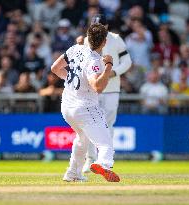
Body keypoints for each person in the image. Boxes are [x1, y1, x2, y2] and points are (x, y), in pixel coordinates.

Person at [51, 23, 120, 182]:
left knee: (82, 139)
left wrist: (72, 82)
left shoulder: (75, 48)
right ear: (104, 42)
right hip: (84, 107)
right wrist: (109, 65)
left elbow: (55, 68)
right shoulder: (95, 61)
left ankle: (73, 173)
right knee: (105, 144)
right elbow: (98, 87)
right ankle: (103, 163)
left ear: (88, 36)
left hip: (67, 106)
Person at [80, 14, 132, 173]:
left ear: (107, 26)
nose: (96, 28)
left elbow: (127, 62)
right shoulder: (87, 40)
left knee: (108, 124)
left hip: (112, 89)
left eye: (100, 25)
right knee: (89, 124)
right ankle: (89, 159)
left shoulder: (116, 39)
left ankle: (105, 161)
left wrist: (113, 73)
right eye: (94, 24)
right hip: (92, 88)